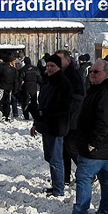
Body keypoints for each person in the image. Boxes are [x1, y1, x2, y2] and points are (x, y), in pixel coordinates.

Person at [62, 60, 108, 214]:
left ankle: (80, 213)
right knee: (106, 177)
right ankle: (106, 208)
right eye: (91, 71)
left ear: (107, 73)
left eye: (96, 72)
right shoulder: (100, 89)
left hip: (98, 146)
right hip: (106, 145)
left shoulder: (107, 91)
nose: (92, 75)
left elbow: (104, 121)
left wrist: (94, 142)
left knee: (83, 177)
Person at [29, 54, 72, 197]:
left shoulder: (63, 83)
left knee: (55, 159)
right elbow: (41, 103)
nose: (49, 68)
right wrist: (36, 122)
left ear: (59, 67)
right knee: (49, 157)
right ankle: (55, 184)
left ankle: (58, 189)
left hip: (56, 126)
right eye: (48, 66)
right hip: (46, 125)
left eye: (52, 66)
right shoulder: (47, 82)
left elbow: (63, 107)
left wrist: (43, 113)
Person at [56, 49, 85, 186]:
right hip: (65, 116)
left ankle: (87, 172)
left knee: (71, 146)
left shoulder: (72, 74)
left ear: (68, 60)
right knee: (64, 149)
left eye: (60, 59)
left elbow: (79, 96)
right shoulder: (62, 73)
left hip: (73, 117)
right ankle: (65, 176)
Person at [0, 54, 18, 121]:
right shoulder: (14, 70)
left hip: (2, 87)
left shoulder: (2, 68)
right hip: (10, 88)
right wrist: (15, 89)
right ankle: (7, 115)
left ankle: (0, 114)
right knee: (8, 102)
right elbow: (16, 80)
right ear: (10, 62)